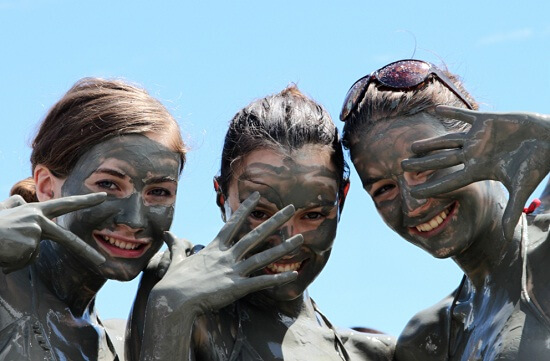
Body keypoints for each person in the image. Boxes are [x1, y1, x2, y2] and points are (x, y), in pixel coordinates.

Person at [0, 78, 300, 361]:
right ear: (46, 186)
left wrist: (172, 309)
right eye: (108, 184)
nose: (134, 220)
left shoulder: (113, 342)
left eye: (159, 192)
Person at [134, 86, 395, 361]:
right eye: (260, 213)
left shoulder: (373, 354)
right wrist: (172, 307)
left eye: (313, 215)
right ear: (221, 197)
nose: (286, 242)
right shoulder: (176, 285)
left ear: (341, 200)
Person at [339, 59, 550, 360]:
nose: (414, 205)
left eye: (428, 166)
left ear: (487, 139)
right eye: (384, 189)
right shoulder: (427, 339)